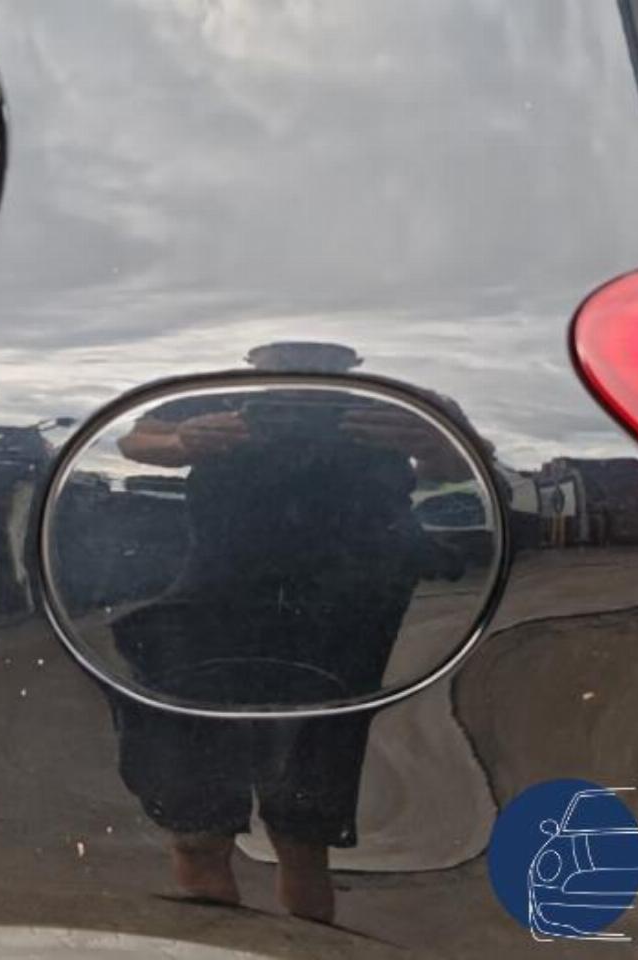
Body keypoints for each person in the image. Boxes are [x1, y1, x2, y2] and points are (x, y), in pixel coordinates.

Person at [108, 343, 467, 922]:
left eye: (317, 359)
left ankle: (306, 941)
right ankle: (212, 928)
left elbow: (467, 465)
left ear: (346, 363)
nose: (299, 372)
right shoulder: (216, 396)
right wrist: (182, 441)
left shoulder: (403, 400)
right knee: (195, 806)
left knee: (307, 816)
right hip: (219, 599)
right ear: (258, 362)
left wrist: (432, 444)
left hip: (345, 608)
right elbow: (134, 441)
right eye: (285, 358)